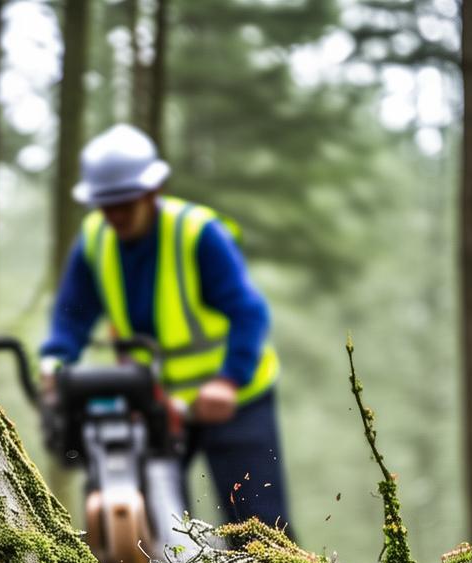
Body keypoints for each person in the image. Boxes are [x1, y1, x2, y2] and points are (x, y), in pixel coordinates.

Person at [40, 124, 291, 532]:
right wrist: (55, 360)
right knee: (148, 522)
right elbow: (72, 314)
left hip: (235, 399)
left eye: (125, 203)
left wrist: (228, 380)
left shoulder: (198, 234)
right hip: (155, 399)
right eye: (106, 205)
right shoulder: (94, 240)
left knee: (259, 524)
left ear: (152, 192)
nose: (115, 214)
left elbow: (250, 312)